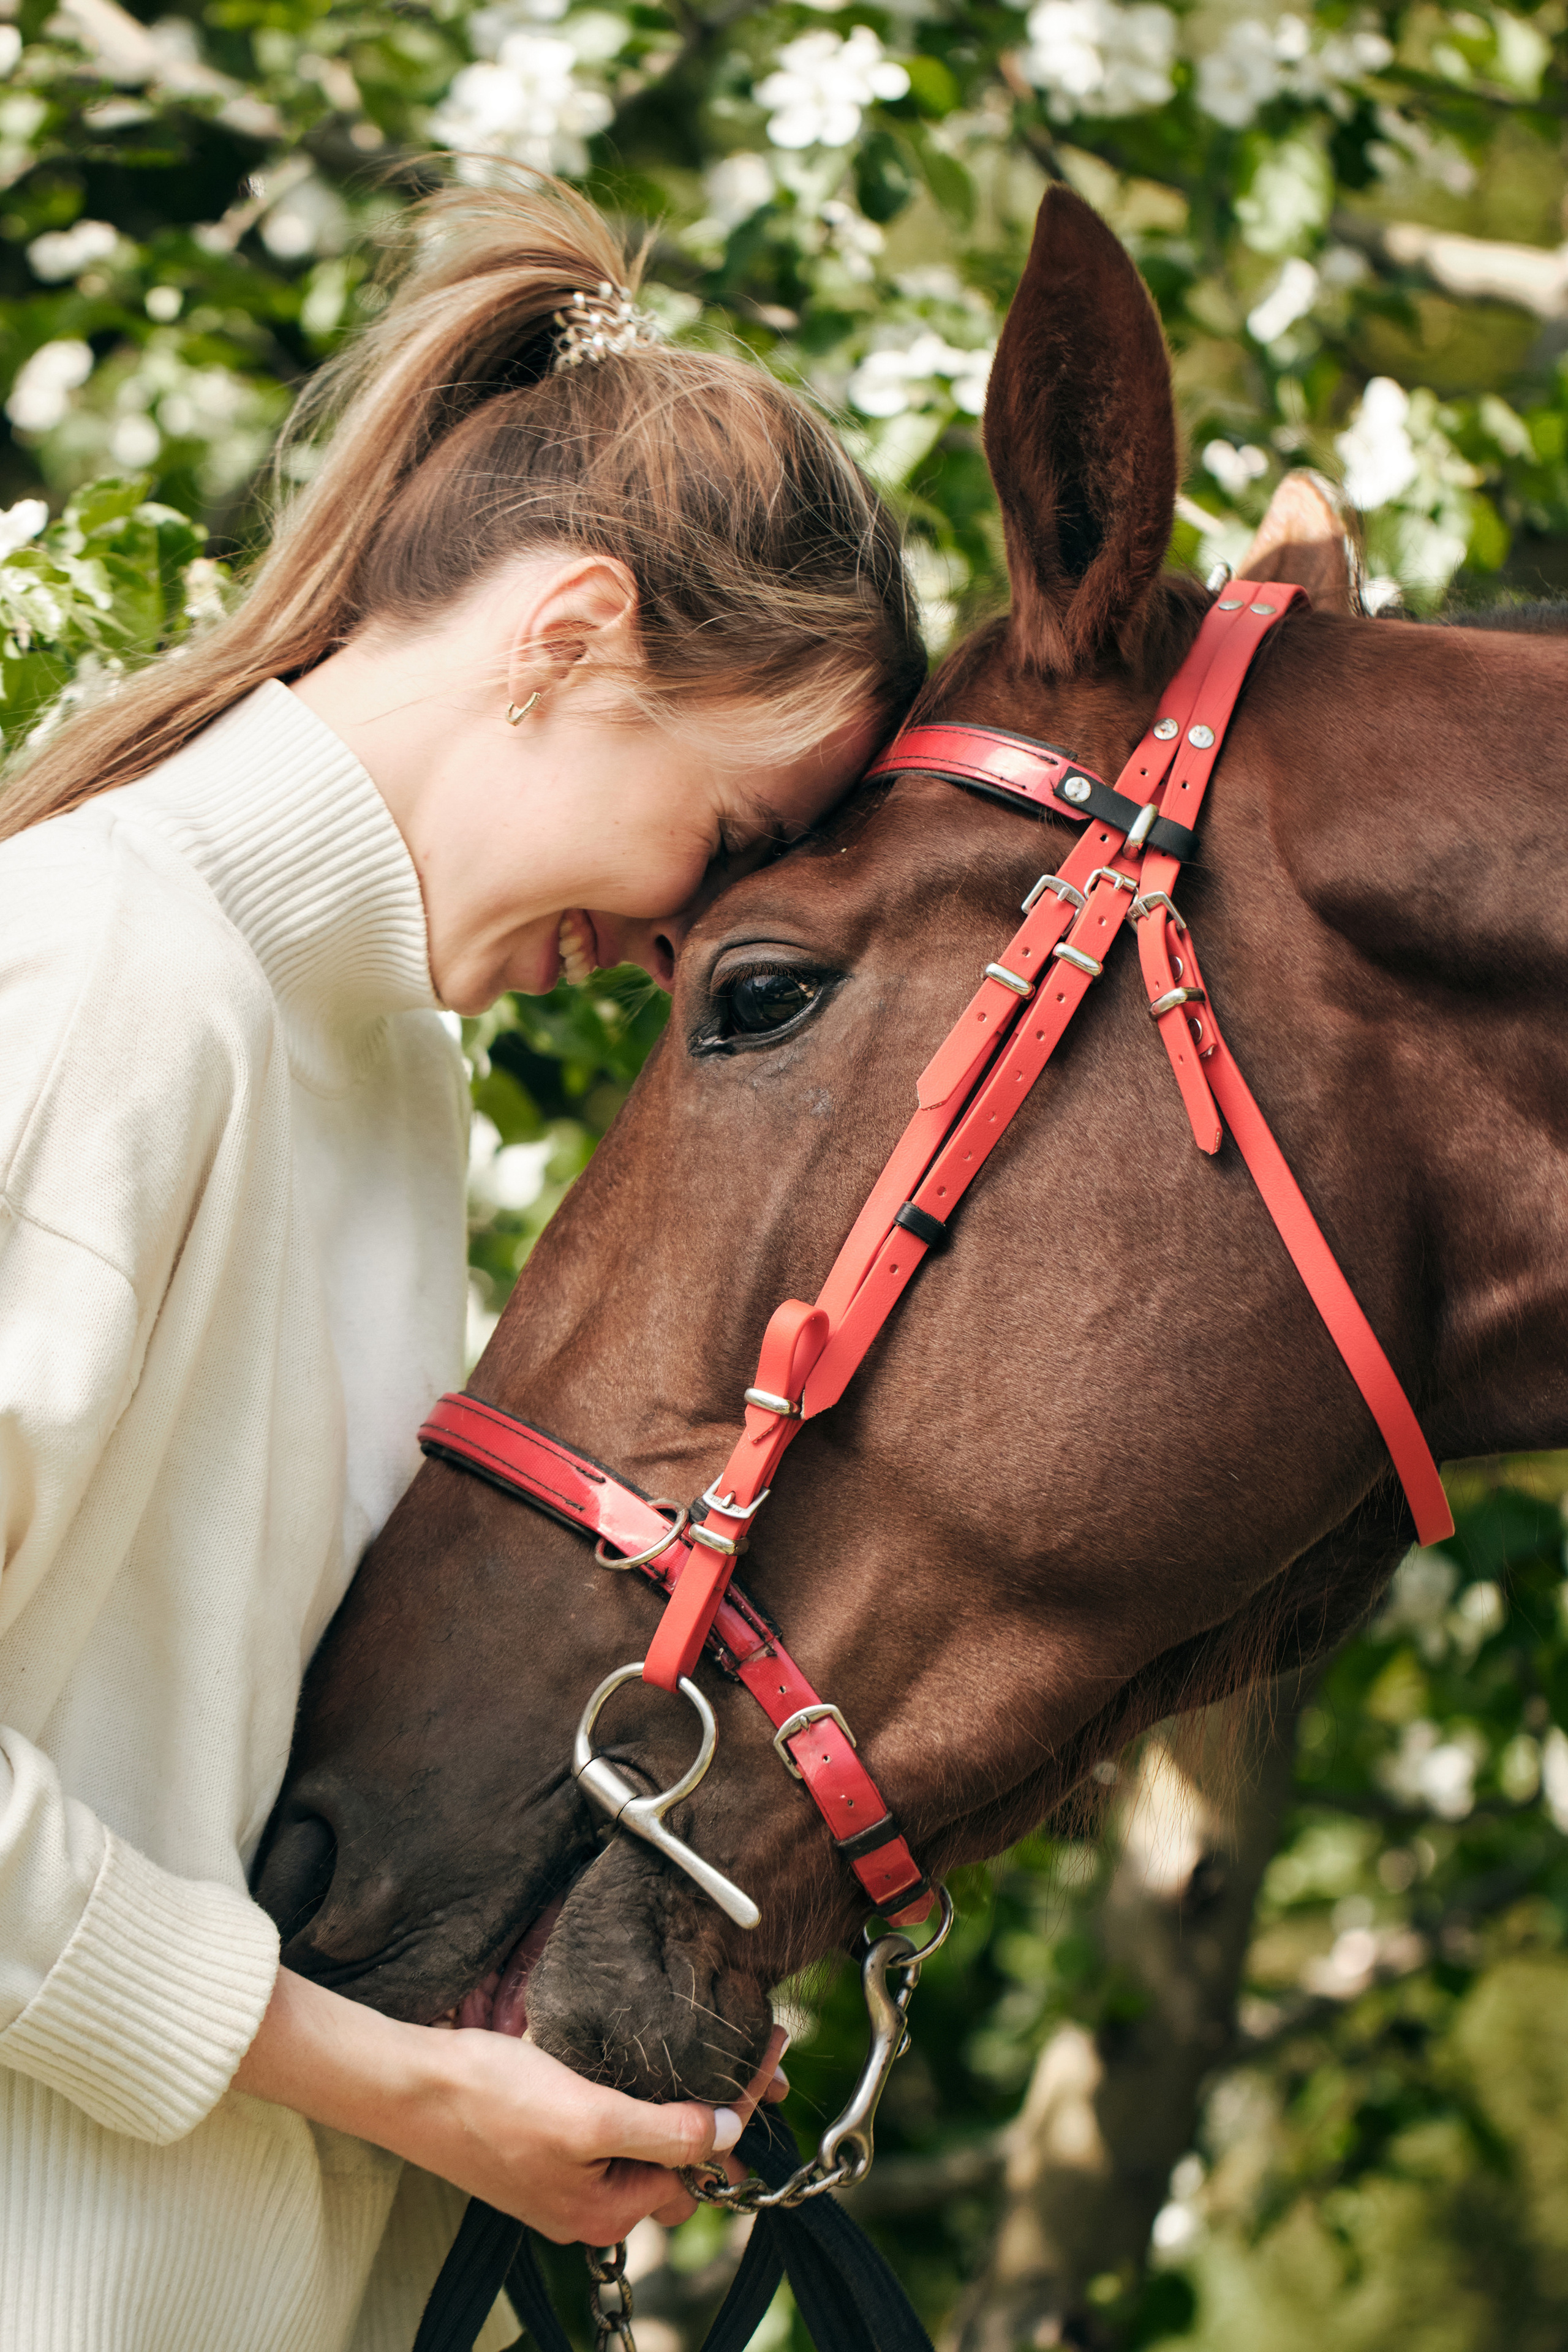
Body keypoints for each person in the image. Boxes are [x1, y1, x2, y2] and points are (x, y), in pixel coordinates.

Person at [0, 173, 925, 2351]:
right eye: (731, 839)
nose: (684, 944)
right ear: (567, 637)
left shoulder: (385, 1064)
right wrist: (400, 2092)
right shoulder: (104, 970)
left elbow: (219, 1775)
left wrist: (561, 2007)